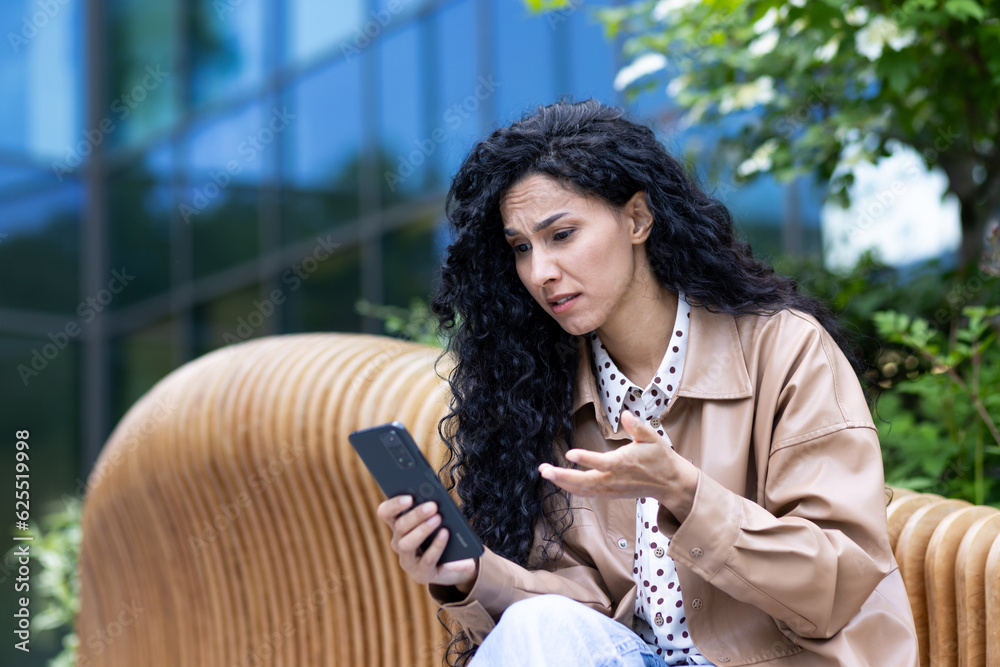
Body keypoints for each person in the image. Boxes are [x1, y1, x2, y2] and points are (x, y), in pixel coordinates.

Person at [375, 99, 920, 666]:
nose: (540, 272)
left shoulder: (785, 349)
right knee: (538, 623)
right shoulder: (546, 392)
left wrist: (685, 494)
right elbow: (584, 614)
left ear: (637, 219)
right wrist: (473, 572)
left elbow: (836, 582)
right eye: (521, 248)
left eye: (561, 235)